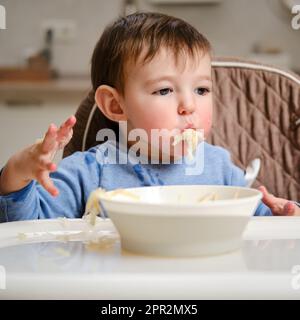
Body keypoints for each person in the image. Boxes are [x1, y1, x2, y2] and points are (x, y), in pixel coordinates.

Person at [0, 12, 299, 222]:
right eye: (165, 90)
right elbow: (28, 228)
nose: (189, 105)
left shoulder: (220, 168)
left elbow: (261, 230)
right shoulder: (89, 172)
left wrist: (285, 214)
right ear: (116, 106)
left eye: (202, 89)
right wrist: (17, 173)